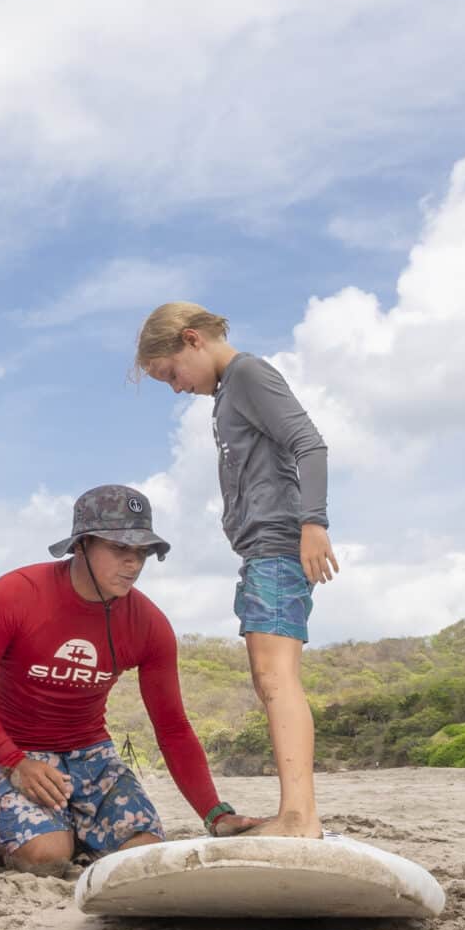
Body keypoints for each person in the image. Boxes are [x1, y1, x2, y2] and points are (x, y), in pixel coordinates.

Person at [0, 486, 265, 872]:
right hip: (21, 752)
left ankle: (71, 829)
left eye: (142, 552)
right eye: (119, 550)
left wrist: (215, 813)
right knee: (47, 858)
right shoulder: (17, 594)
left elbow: (173, 727)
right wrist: (14, 762)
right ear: (81, 545)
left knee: (143, 853)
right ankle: (26, 840)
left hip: (93, 754)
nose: (133, 564)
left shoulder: (149, 624)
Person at [135, 302, 334, 838]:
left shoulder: (247, 373)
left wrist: (313, 523)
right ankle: (299, 814)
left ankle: (299, 817)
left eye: (171, 373)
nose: (175, 387)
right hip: (261, 551)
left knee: (277, 680)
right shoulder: (227, 392)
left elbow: (308, 443)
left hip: (276, 545)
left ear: (192, 339)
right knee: (268, 680)